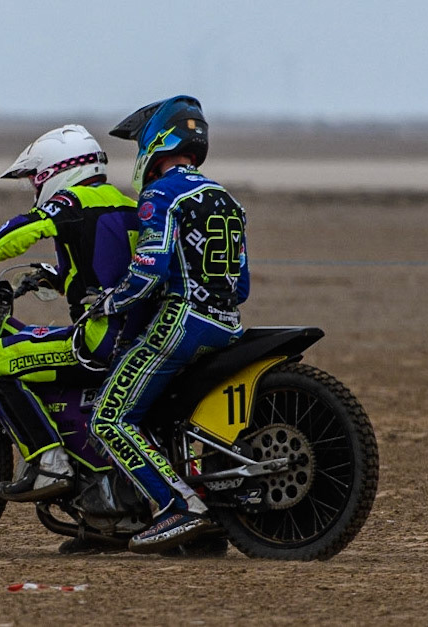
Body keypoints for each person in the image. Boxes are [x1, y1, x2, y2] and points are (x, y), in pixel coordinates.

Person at [88, 95, 250, 553]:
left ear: (157, 143)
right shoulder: (227, 199)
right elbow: (241, 285)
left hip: (184, 322)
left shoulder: (161, 195)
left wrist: (108, 303)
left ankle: (179, 507)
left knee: (110, 417)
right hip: (227, 323)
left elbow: (149, 270)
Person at [0, 124, 143, 505]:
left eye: (35, 182)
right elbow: (109, 268)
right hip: (140, 335)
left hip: (101, 339)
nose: (36, 193)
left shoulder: (72, 202)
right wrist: (59, 278)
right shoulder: (125, 204)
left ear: (57, 171)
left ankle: (50, 465)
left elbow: (24, 227)